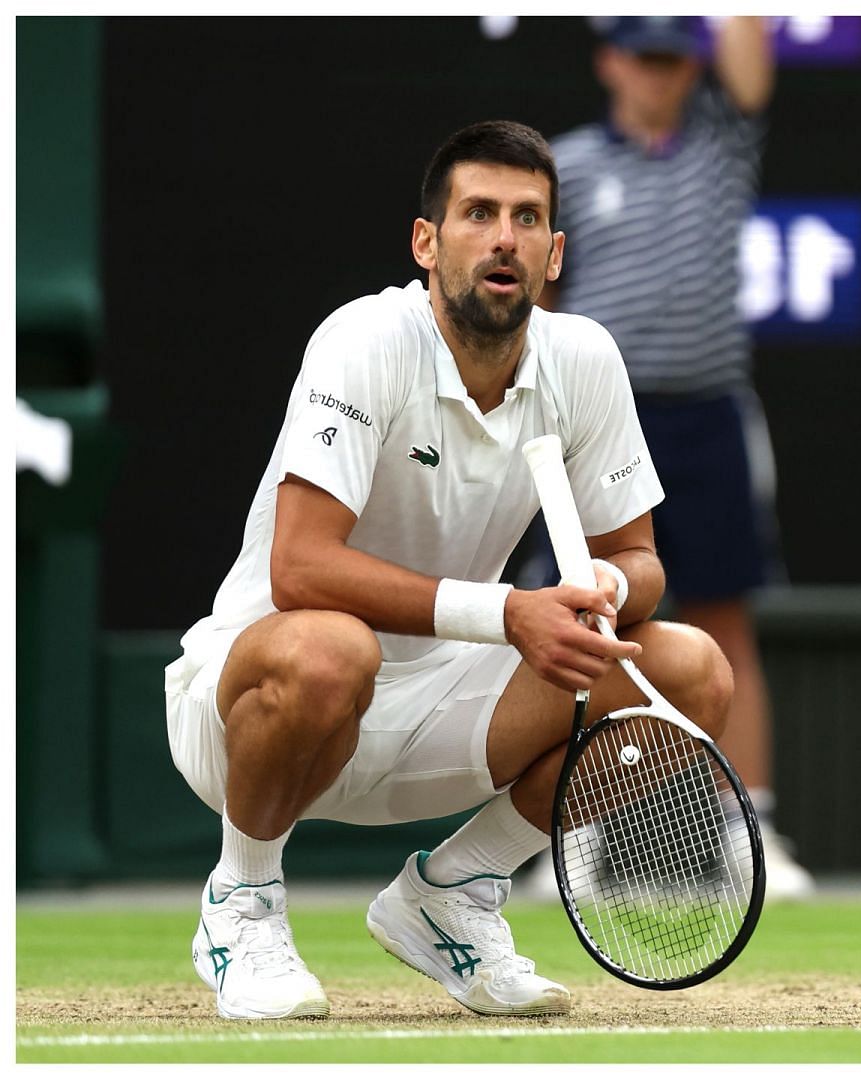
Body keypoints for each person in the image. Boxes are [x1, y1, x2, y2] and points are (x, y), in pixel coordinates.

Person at [161, 121, 731, 1020]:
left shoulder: (583, 359)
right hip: (253, 712)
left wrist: (604, 596)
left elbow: (639, 560)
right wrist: (511, 613)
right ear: (427, 242)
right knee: (329, 650)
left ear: (553, 255)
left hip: (443, 716)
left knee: (690, 671)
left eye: (527, 217)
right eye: (478, 213)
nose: (503, 236)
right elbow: (301, 567)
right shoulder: (364, 338)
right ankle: (242, 900)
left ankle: (454, 894)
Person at [544, 18, 811, 897]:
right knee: (589, 626)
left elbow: (750, 67)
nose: (662, 77)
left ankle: (751, 833)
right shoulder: (571, 165)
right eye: (645, 58)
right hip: (605, 423)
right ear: (609, 62)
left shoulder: (722, 147)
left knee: (729, 620)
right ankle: (572, 838)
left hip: (709, 417)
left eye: (674, 60)